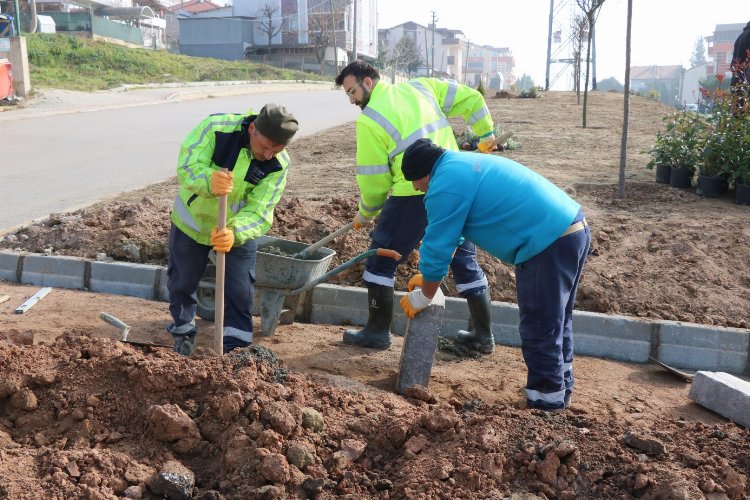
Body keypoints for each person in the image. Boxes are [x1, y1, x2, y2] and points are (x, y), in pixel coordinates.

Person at [399, 138, 591, 411]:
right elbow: (454, 238)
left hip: (547, 242)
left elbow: (438, 242)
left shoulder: (445, 183)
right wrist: (430, 278)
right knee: (557, 321)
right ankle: (561, 389)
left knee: (540, 326)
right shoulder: (460, 165)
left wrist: (425, 295)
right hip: (572, 229)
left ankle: (546, 407)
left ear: (425, 173)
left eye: (416, 182)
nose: (418, 189)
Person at [334, 60, 499, 351]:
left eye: (352, 92)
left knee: (380, 261)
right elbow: (472, 98)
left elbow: (375, 182)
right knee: (463, 261)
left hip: (413, 193)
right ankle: (483, 337)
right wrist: (486, 134)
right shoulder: (423, 87)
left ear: (368, 82)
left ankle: (377, 331)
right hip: (456, 187)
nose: (351, 100)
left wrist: (366, 212)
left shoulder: (369, 120)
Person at [167, 103, 299, 356]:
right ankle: (183, 332)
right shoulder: (216, 129)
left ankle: (236, 348)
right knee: (181, 282)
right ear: (252, 129)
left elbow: (260, 210)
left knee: (239, 287)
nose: (269, 154)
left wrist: (235, 232)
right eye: (265, 146)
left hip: (233, 232)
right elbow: (187, 166)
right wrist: (208, 179)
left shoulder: (278, 165)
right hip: (191, 222)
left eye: (277, 149)